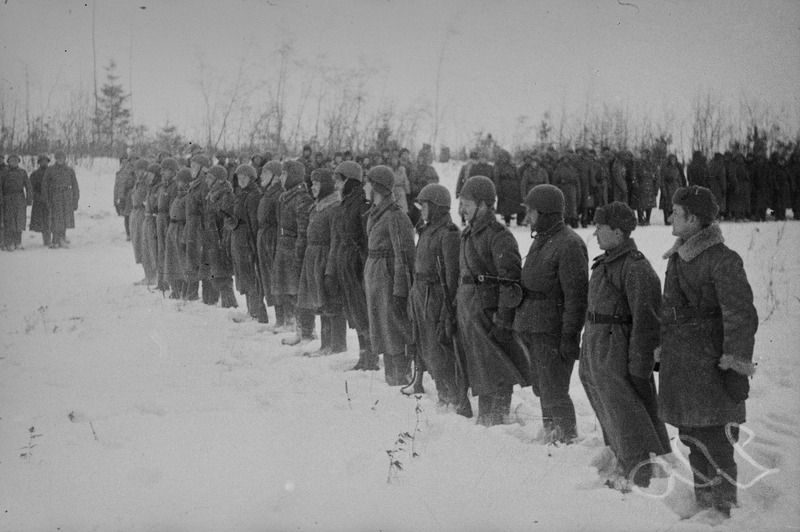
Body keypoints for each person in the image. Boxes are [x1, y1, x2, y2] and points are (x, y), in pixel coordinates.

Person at [659, 186, 758, 518]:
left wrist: (735, 365)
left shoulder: (724, 260)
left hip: (711, 367)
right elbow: (670, 309)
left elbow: (740, 316)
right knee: (691, 436)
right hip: (684, 365)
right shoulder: (678, 257)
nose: (669, 215)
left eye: (674, 211)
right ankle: (705, 504)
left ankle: (724, 507)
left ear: (693, 218)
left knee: (717, 439)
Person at [579, 201, 669, 489]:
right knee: (609, 409)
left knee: (627, 414)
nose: (595, 233)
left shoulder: (635, 267)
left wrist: (639, 363)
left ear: (618, 233)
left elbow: (647, 320)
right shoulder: (607, 262)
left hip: (617, 350)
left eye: (600, 228)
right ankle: (622, 462)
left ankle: (640, 475)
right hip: (598, 346)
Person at [514, 184, 588, 442]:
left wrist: (569, 336)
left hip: (552, 330)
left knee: (555, 389)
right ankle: (551, 433)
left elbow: (576, 297)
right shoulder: (544, 239)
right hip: (535, 327)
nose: (528, 218)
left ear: (546, 214)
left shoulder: (569, 244)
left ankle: (566, 437)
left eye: (532, 212)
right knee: (543, 387)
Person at [456, 176, 527, 426]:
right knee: (481, 370)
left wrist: (503, 321)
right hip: (471, 313)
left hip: (489, 316)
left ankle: (496, 420)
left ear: (484, 205)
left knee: (496, 370)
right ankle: (487, 419)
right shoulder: (468, 233)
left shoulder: (498, 236)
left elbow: (510, 282)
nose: (461, 209)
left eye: (466, 203)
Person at [409, 183, 472, 416]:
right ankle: (443, 394)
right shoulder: (426, 231)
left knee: (442, 351)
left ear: (436, 207)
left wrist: (448, 310)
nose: (421, 210)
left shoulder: (448, 233)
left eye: (424, 205)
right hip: (422, 296)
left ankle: (455, 398)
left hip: (437, 299)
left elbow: (452, 276)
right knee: (427, 349)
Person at [363, 165, 416, 385]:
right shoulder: (377, 212)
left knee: (393, 327)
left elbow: (404, 257)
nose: (364, 187)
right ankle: (391, 377)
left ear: (377, 187)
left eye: (368, 183)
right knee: (381, 326)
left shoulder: (395, 215)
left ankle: (400, 376)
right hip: (376, 277)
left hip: (388, 278)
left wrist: (400, 291)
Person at [327, 161, 376, 370]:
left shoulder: (361, 204)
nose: (336, 185)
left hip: (358, 264)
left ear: (350, 180)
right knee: (354, 311)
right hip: (347, 262)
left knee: (363, 310)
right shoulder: (346, 203)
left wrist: (363, 265)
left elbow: (366, 238)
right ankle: (363, 355)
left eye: (339, 180)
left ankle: (371, 358)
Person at [297, 168, 347, 357]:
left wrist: (330, 268)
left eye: (317, 184)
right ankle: (326, 345)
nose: (313, 187)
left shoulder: (334, 207)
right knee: (321, 303)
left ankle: (337, 346)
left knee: (332, 302)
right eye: (312, 183)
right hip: (314, 257)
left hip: (326, 258)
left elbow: (335, 239)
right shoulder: (318, 206)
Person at [272, 160, 314, 345]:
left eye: (284, 174)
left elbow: (303, 230)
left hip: (294, 249)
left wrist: (298, 254)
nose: (281, 178)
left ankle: (306, 331)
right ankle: (298, 328)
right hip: (284, 246)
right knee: (289, 291)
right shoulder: (287, 196)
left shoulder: (301, 198)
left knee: (298, 292)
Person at [230, 164, 266, 321]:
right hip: (239, 239)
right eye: (239, 177)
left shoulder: (253, 195)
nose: (241, 180)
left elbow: (254, 222)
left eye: (244, 177)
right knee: (244, 276)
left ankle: (257, 312)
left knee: (251, 276)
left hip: (247, 240)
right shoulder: (242, 194)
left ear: (251, 178)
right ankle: (250, 311)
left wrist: (253, 244)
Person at [202, 164, 238, 308]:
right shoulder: (212, 194)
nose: (207, 181)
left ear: (220, 180)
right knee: (214, 272)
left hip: (221, 238)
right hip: (212, 238)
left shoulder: (226, 195)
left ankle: (230, 304)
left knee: (222, 274)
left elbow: (226, 217)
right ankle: (213, 301)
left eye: (210, 178)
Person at [256, 160, 286, 329]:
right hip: (264, 236)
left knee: (275, 278)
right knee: (268, 277)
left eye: (265, 173)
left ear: (274, 176)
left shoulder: (277, 195)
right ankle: (279, 318)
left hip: (272, 239)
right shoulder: (268, 193)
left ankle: (282, 319)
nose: (261, 176)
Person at [184, 154, 212, 301]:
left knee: (203, 262)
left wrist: (203, 230)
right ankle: (192, 294)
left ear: (202, 168)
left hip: (200, 229)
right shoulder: (195, 183)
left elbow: (206, 210)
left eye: (194, 166)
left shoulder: (204, 184)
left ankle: (208, 298)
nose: (191, 169)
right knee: (192, 261)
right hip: (192, 227)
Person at [163, 167, 192, 299]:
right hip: (172, 228)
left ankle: (184, 290)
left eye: (180, 181)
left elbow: (188, 217)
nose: (178, 184)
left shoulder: (188, 198)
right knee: (171, 261)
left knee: (182, 262)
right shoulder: (178, 196)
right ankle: (175, 289)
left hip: (181, 229)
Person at [43, 150, 80, 249]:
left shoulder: (69, 170)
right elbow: (45, 186)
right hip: (55, 196)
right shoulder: (50, 170)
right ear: (56, 159)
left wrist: (75, 200)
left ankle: (62, 238)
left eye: (63, 158)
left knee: (65, 218)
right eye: (59, 158)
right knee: (56, 219)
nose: (61, 160)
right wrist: (46, 199)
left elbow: (75, 186)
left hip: (67, 196)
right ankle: (55, 240)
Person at [156, 158, 180, 294]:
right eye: (162, 170)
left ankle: (170, 284)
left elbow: (172, 208)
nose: (163, 173)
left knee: (168, 252)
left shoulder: (174, 186)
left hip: (168, 220)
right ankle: (162, 283)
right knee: (161, 251)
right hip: (160, 219)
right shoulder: (162, 186)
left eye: (165, 170)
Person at [1, 155, 32, 250]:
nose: (13, 162)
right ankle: (9, 243)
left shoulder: (22, 172)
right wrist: (1, 199)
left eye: (15, 161)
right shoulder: (4, 172)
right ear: (8, 162)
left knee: (19, 220)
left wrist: (29, 198)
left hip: (19, 198)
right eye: (11, 161)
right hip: (7, 198)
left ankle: (18, 241)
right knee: (9, 221)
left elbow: (28, 186)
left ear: (18, 162)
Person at [143, 163, 163, 289]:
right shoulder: (152, 187)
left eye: (151, 174)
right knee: (146, 249)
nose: (149, 177)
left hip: (154, 221)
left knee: (154, 250)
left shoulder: (159, 187)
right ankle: (149, 276)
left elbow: (157, 204)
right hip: (148, 219)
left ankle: (156, 277)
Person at [493, 148, 523, 226]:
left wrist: (519, 187)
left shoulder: (513, 166)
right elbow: (497, 179)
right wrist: (498, 190)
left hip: (514, 187)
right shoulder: (498, 167)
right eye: (503, 157)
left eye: (506, 157)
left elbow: (518, 177)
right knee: (506, 206)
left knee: (517, 205)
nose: (504, 159)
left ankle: (519, 221)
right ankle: (507, 221)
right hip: (504, 188)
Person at [29, 154, 52, 247]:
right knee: (43, 221)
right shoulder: (34, 174)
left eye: (45, 161)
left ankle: (57, 239)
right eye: (41, 161)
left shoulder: (52, 172)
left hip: (51, 199)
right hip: (39, 201)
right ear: (39, 163)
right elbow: (31, 188)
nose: (44, 163)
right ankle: (46, 240)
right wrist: (38, 197)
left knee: (53, 220)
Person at [659, 154, 686, 225]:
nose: (673, 161)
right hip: (668, 189)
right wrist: (663, 189)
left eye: (674, 159)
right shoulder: (665, 168)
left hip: (675, 188)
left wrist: (680, 188)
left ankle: (673, 220)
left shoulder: (676, 168)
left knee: (674, 206)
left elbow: (679, 178)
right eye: (672, 159)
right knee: (667, 206)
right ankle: (667, 220)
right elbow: (662, 180)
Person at [114, 155, 135, 240]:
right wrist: (121, 198)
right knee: (127, 215)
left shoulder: (139, 169)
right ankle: (129, 233)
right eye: (132, 160)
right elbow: (121, 186)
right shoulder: (125, 171)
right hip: (128, 195)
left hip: (136, 194)